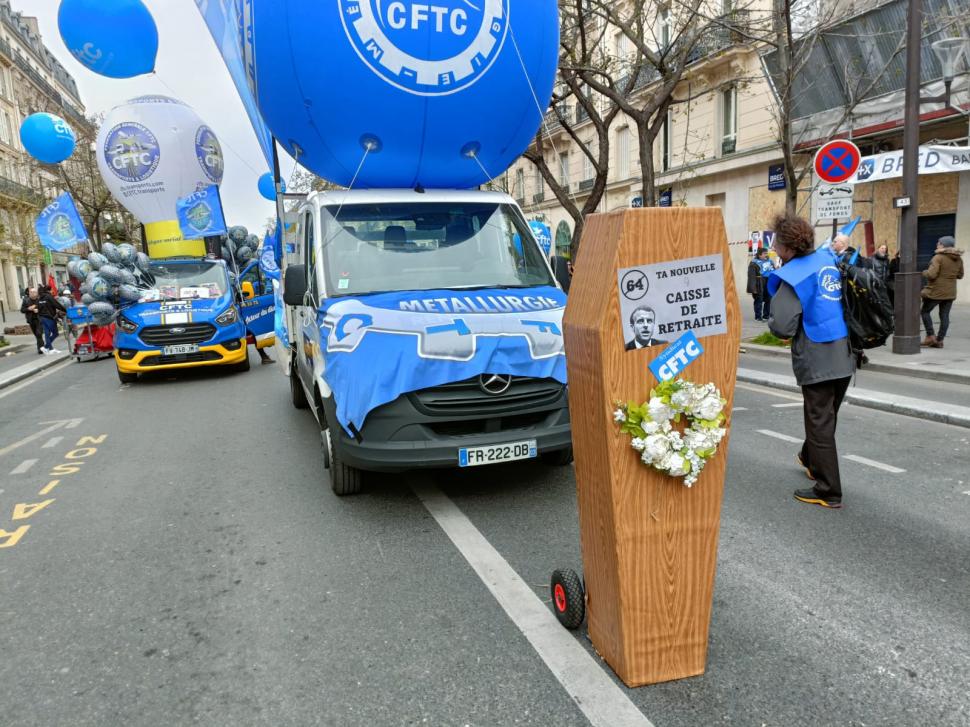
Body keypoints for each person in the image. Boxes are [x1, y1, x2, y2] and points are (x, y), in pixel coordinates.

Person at [767, 212, 855, 509]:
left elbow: (781, 326)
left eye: (776, 241)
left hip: (817, 356)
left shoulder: (793, 275)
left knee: (819, 421)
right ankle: (809, 457)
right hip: (845, 352)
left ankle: (829, 490)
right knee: (826, 415)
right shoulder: (826, 261)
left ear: (786, 247)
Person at [920, 235, 964, 349]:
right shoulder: (958, 258)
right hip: (950, 292)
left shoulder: (938, 257)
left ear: (943, 245)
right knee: (944, 316)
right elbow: (960, 275)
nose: (937, 244)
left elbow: (931, 274)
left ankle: (930, 336)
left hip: (936, 291)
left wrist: (924, 272)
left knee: (925, 312)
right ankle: (939, 340)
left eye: (938, 243)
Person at [35, 285, 66, 354]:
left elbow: (38, 308)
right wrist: (65, 310)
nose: (52, 291)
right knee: (55, 333)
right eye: (51, 290)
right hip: (49, 318)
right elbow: (57, 304)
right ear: (49, 290)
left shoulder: (39, 299)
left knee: (47, 333)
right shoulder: (49, 297)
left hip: (42, 318)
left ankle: (48, 348)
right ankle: (47, 347)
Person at [746, 248, 773, 321]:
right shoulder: (754, 263)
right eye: (764, 253)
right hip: (759, 282)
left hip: (769, 281)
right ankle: (758, 316)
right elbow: (751, 276)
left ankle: (766, 316)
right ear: (759, 254)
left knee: (769, 299)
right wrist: (753, 288)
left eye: (766, 253)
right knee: (759, 299)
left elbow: (774, 270)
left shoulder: (770, 261)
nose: (766, 255)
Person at [20, 287, 44, 354]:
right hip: (31, 320)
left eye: (34, 292)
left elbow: (45, 308)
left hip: (40, 319)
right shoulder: (26, 300)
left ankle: (40, 349)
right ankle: (42, 345)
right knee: (37, 335)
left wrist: (38, 310)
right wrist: (29, 309)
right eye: (31, 292)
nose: (32, 294)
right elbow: (22, 310)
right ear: (29, 294)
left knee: (39, 333)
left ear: (36, 293)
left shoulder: (40, 300)